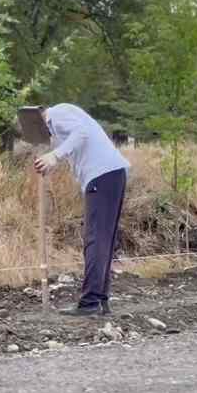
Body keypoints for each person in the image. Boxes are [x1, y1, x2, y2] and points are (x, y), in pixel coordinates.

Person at [33, 104, 130, 316]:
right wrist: (53, 158)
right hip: (112, 174)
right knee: (103, 239)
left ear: (39, 118)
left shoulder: (55, 115)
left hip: (103, 175)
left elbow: (81, 134)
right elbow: (77, 141)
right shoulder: (65, 117)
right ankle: (99, 301)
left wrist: (55, 156)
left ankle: (91, 302)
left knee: (95, 239)